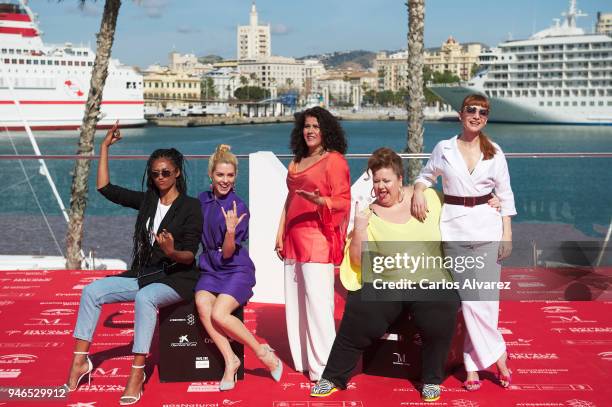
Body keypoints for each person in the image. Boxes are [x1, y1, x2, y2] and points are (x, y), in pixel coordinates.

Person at [62, 122, 203, 405]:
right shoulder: (148, 201)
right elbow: (105, 188)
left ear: (176, 172)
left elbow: (189, 254)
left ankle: (136, 373)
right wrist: (104, 147)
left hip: (177, 278)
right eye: (155, 173)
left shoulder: (191, 206)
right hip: (145, 273)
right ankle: (80, 362)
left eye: (165, 172)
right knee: (92, 292)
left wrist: (172, 251)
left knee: (146, 298)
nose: (160, 177)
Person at [309, 147, 460, 402]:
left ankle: (432, 380)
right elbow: (357, 261)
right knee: (359, 313)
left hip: (430, 279)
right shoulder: (368, 213)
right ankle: (334, 377)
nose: (381, 186)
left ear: (401, 179)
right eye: (376, 181)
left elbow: (463, 208)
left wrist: (492, 202)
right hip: (389, 282)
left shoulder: (428, 198)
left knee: (440, 309)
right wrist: (359, 229)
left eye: (386, 180)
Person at [411, 94, 516, 391]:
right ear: (460, 114)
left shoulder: (494, 151)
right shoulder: (443, 148)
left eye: (483, 112)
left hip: (487, 228)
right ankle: (497, 356)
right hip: (455, 229)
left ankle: (473, 365)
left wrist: (507, 234)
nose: (477, 115)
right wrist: (419, 190)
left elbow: (505, 195)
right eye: (471, 110)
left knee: (485, 302)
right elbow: (426, 175)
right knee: (470, 302)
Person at [194, 144, 282, 391]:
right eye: (220, 175)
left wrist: (230, 232)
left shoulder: (238, 207)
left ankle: (262, 352)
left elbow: (230, 251)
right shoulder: (201, 199)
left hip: (235, 267)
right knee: (202, 304)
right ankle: (231, 360)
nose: (225, 180)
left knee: (219, 314)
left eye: (230, 175)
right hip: (211, 267)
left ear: (236, 177)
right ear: (211, 174)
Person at [275, 107, 351, 381]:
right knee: (297, 306)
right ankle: (306, 362)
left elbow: (344, 200)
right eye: (306, 126)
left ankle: (327, 369)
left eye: (316, 126)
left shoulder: (334, 161)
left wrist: (323, 202)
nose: (310, 131)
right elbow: (291, 198)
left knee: (319, 307)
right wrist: (281, 229)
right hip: (293, 238)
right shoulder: (297, 160)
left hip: (317, 238)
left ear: (326, 130)